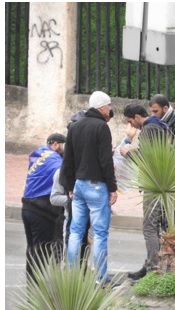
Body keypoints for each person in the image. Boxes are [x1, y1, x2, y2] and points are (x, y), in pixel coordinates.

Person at [62, 91, 117, 283]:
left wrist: (70, 186)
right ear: (101, 107)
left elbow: (68, 160)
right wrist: (112, 187)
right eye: (109, 105)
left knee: (76, 231)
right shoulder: (101, 127)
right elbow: (106, 161)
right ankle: (100, 278)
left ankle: (71, 275)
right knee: (100, 233)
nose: (110, 109)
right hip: (97, 186)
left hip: (78, 185)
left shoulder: (75, 127)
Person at [121, 103, 169, 279]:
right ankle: (158, 266)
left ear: (136, 117)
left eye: (130, 121)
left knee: (150, 227)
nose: (131, 125)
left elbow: (148, 157)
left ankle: (153, 269)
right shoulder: (161, 126)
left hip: (154, 184)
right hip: (165, 183)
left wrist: (127, 153)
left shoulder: (148, 129)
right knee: (163, 227)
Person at [22, 133, 66, 280]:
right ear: (56, 144)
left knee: (32, 250)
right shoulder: (54, 159)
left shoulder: (38, 154)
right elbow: (65, 172)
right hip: (42, 211)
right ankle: (37, 288)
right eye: (64, 146)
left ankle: (31, 287)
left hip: (27, 207)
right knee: (42, 253)